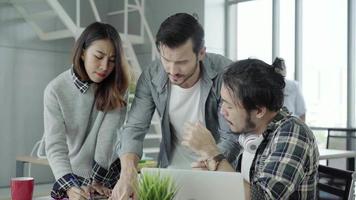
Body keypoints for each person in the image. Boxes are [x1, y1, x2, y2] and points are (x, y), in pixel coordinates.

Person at [111, 13, 240, 200]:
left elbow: (231, 138)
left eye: (181, 62)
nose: (172, 70)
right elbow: (134, 129)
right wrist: (128, 173)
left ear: (201, 53)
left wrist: (211, 161)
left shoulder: (226, 73)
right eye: (166, 60)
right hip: (171, 177)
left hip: (218, 175)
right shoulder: (151, 75)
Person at [182, 59, 319, 199]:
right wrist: (215, 174)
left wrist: (213, 153)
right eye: (222, 101)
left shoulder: (293, 133)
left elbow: (261, 198)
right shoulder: (249, 133)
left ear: (259, 111)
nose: (223, 112)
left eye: (229, 106)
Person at [43, 22, 130, 200]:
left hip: (108, 172)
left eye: (112, 60)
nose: (105, 67)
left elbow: (109, 137)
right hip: (73, 175)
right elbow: (55, 146)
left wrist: (97, 181)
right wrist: (70, 187)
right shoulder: (55, 90)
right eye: (98, 56)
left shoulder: (117, 86)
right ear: (82, 52)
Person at [273, 57, 307, 121]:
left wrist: (300, 130)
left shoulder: (293, 86)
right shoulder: (269, 86)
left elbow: (302, 112)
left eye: (282, 68)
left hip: (289, 123)